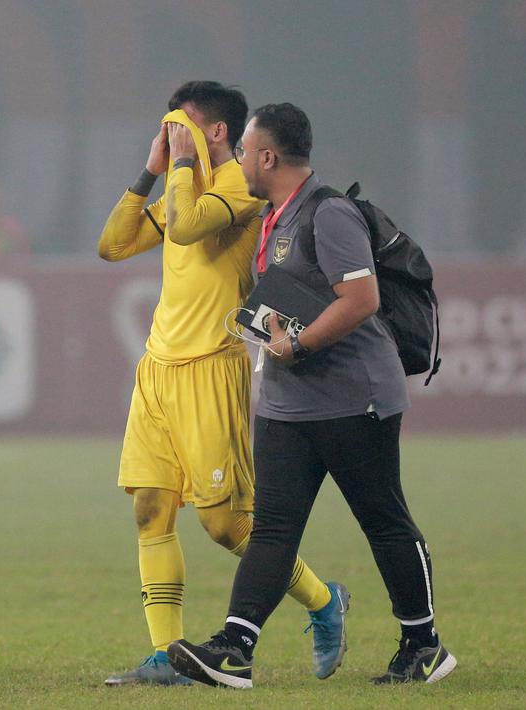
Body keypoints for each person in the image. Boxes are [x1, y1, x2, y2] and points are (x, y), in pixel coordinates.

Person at [167, 103, 456, 688]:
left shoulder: (329, 214)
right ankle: (235, 648)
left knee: (383, 519)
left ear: (268, 157)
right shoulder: (279, 216)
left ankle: (424, 646)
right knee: (274, 527)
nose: (242, 159)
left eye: (247, 151)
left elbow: (362, 300)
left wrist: (297, 348)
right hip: (288, 403)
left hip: (354, 399)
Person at [97, 83, 346, 687]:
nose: (168, 131)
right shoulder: (183, 180)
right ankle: (168, 654)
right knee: (150, 508)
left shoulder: (238, 186)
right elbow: (113, 244)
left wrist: (182, 166)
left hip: (213, 366)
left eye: (178, 124)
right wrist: (149, 171)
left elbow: (184, 230)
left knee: (225, 525)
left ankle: (322, 600)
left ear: (214, 132)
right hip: (157, 368)